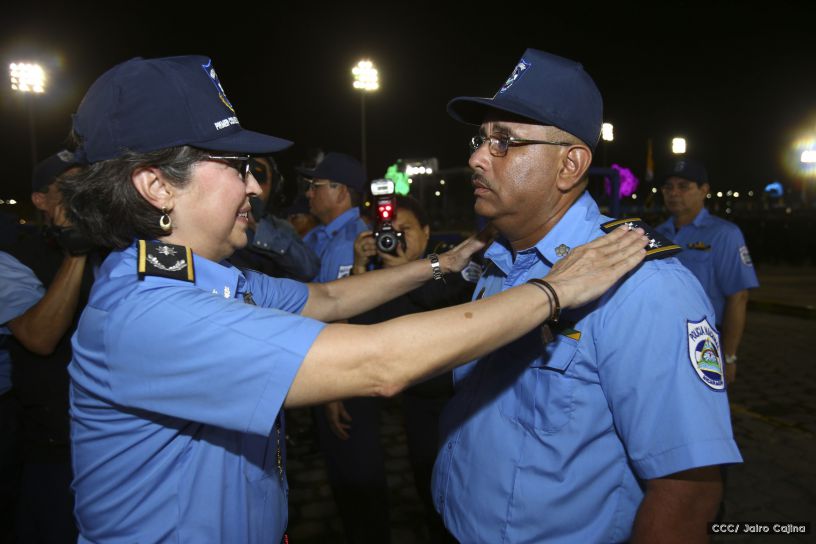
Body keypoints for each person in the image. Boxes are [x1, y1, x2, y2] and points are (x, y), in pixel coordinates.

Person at [60, 54, 648, 543]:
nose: (253, 184)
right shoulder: (150, 316)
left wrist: (440, 263)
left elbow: (328, 299)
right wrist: (555, 289)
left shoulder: (200, 276)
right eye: (236, 166)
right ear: (157, 184)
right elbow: (380, 363)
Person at [429, 48, 742, 543]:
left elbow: (688, 494)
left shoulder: (644, 286)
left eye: (504, 142)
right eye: (481, 139)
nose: (475, 158)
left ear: (570, 165)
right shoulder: (500, 258)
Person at [320, 195, 474, 544]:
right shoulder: (380, 278)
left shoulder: (452, 264)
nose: (397, 240)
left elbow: (437, 299)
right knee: (426, 482)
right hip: (417, 403)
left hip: (459, 400)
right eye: (390, 233)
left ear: (427, 231)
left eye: (406, 231)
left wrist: (406, 269)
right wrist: (361, 270)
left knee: (463, 488)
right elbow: (357, 333)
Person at [0, 150, 94, 543]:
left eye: (87, 186)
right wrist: (78, 250)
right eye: (67, 187)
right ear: (41, 201)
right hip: (54, 446)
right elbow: (39, 337)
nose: (81, 196)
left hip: (113, 438)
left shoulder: (119, 245)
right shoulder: (13, 257)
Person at [656, 158, 759, 384]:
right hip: (661, 341)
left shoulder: (724, 234)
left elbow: (738, 297)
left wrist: (729, 356)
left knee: (703, 415)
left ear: (704, 190)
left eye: (683, 186)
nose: (673, 193)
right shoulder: (657, 235)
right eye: (668, 187)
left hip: (704, 344)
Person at [228, 156, 320, 281]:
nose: (251, 186)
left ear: (274, 186)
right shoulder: (222, 220)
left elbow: (309, 269)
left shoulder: (281, 228)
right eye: (243, 175)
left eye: (259, 177)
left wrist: (258, 230)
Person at [300, 152, 369, 282]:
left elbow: (334, 300)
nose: (309, 193)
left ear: (341, 192)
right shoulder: (320, 233)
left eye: (315, 186)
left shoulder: (350, 243)